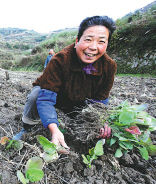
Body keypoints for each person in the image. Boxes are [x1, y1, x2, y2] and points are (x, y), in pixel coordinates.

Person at [14, 16, 117, 150]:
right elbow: (45, 99)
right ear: (77, 41)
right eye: (88, 40)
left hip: (79, 102)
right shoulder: (59, 60)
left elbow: (101, 101)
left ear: (107, 45)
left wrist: (101, 121)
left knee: (95, 124)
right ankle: (26, 127)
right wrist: (54, 129)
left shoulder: (109, 66)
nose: (93, 47)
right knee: (36, 95)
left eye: (101, 42)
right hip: (57, 96)